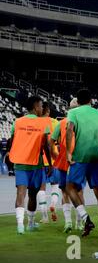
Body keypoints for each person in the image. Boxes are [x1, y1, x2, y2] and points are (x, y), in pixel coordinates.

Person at [65, 89, 98, 239]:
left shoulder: (73, 113)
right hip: (97, 157)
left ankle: (86, 219)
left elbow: (69, 131)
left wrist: (68, 152)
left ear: (77, 102)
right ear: (90, 100)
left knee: (70, 187)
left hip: (80, 156)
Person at [9, 96, 53, 234]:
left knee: (20, 193)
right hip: (36, 164)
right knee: (33, 194)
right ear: (35, 107)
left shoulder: (17, 122)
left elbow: (12, 140)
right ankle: (31, 223)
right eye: (40, 106)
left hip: (20, 162)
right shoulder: (43, 123)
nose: (42, 109)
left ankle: (20, 225)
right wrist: (50, 163)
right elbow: (45, 145)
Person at [50, 98, 84, 233]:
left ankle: (68, 222)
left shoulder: (61, 123)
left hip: (63, 161)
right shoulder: (83, 123)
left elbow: (51, 142)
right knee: (79, 192)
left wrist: (55, 157)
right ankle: (79, 223)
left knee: (64, 191)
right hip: (78, 161)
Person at [37, 102, 60, 223]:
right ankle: (53, 205)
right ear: (49, 111)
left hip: (40, 160)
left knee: (41, 188)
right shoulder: (56, 123)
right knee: (55, 185)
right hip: (54, 159)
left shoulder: (37, 123)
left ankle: (44, 217)